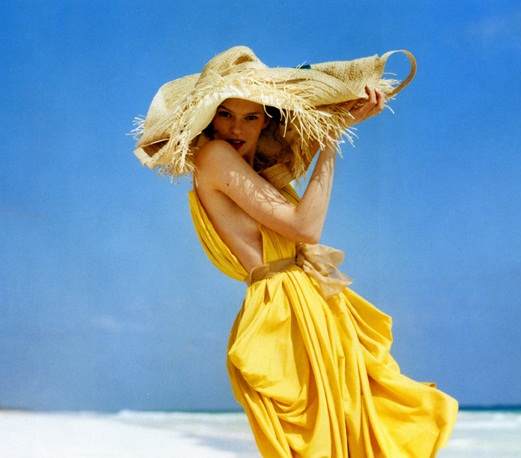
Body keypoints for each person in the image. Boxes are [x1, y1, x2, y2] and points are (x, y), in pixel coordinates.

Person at [134, 46, 458, 457]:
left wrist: (341, 119)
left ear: (267, 119)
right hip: (284, 312)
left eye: (251, 116)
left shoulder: (256, 172)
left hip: (304, 305)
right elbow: (306, 227)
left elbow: (297, 212)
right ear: (209, 116)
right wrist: (332, 139)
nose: (236, 127)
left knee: (355, 436)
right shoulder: (214, 156)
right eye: (225, 113)